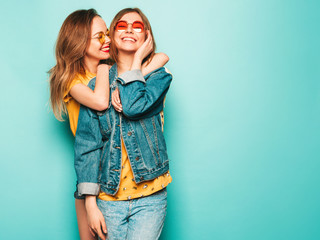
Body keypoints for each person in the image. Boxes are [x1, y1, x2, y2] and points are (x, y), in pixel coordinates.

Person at [49, 8, 169, 240]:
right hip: (96, 177)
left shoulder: (151, 74)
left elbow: (156, 63)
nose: (105, 40)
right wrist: (109, 72)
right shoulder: (78, 81)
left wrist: (129, 71)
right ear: (80, 42)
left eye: (106, 34)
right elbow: (99, 108)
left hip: (140, 186)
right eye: (99, 36)